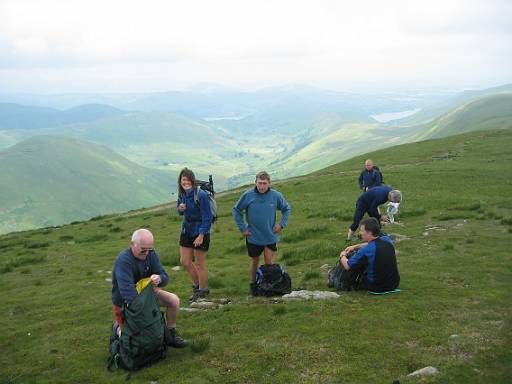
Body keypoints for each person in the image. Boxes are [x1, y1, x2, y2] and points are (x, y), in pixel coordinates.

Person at [111, 228, 187, 348]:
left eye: (149, 249)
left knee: (174, 301)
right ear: (132, 244)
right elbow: (127, 292)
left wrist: (159, 279)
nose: (147, 253)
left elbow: (165, 278)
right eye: (143, 250)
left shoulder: (151, 254)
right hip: (125, 304)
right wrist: (147, 311)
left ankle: (171, 336)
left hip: (147, 296)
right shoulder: (123, 261)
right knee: (130, 340)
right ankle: (118, 328)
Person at [232, 171, 292, 295]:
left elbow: (286, 209)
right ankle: (254, 285)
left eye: (264, 183)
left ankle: (269, 286)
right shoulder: (248, 195)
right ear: (256, 182)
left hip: (270, 236)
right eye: (260, 183)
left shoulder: (276, 196)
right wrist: (243, 228)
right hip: (253, 236)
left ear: (269, 183)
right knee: (254, 261)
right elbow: (236, 210)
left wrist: (281, 224)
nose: (262, 186)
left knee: (269, 263)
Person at [177, 168, 213, 302]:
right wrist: (180, 209)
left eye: (187, 180)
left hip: (200, 231)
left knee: (199, 263)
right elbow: (179, 211)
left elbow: (207, 217)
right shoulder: (182, 194)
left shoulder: (201, 195)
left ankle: (201, 291)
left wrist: (201, 235)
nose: (185, 182)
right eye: (183, 180)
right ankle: (198, 286)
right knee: (185, 261)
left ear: (192, 180)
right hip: (186, 230)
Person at [340, 218, 400, 292]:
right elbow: (373, 243)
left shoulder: (366, 250)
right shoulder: (387, 240)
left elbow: (347, 266)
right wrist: (354, 246)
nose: (360, 233)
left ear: (369, 233)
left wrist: (343, 255)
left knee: (358, 263)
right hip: (394, 284)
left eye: (362, 230)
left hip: (375, 287)